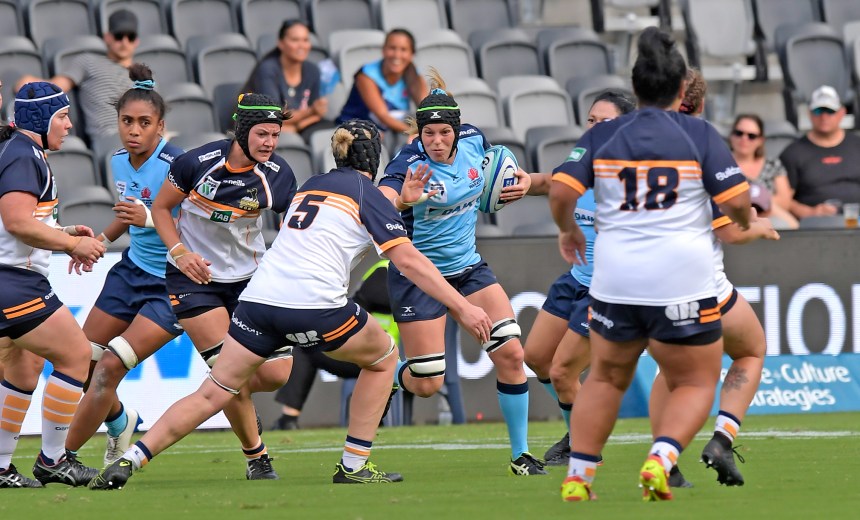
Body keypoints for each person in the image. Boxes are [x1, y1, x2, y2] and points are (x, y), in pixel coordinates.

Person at [89, 119, 492, 489]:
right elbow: (409, 261)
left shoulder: (312, 184)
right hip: (314, 304)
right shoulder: (366, 192)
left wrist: (397, 203)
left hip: (257, 300)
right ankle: (353, 465)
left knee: (215, 391)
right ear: (375, 159)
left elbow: (344, 220)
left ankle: (130, 459)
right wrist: (463, 307)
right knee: (384, 358)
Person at [549, 27, 753, 502]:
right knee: (695, 380)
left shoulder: (605, 134)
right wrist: (748, 221)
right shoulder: (697, 133)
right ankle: (661, 459)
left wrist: (567, 228)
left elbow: (560, 190)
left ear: (635, 88)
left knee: (604, 378)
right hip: (681, 282)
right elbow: (737, 202)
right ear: (682, 90)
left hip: (616, 282)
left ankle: (579, 476)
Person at [377, 70, 543, 476]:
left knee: (512, 353)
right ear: (419, 133)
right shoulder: (409, 162)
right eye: (428, 134)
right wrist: (402, 201)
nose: (436, 141)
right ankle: (389, 374)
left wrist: (521, 182)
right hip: (421, 278)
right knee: (428, 382)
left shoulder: (474, 141)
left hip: (469, 268)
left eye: (443, 133)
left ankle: (521, 455)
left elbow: (499, 170)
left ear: (456, 130)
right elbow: (381, 201)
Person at [149, 93, 298, 480]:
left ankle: (232, 395)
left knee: (276, 375)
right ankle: (257, 458)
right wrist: (180, 253)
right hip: (194, 279)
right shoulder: (195, 164)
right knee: (228, 374)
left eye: (275, 135)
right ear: (243, 131)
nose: (269, 142)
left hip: (251, 280)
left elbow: (294, 227)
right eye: (262, 133)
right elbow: (161, 208)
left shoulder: (279, 175)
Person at [649, 76, 781, 490]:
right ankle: (721, 439)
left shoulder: (635, 144)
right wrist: (759, 226)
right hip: (701, 284)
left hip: (647, 283)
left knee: (668, 372)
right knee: (752, 349)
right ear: (700, 106)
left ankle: (664, 462)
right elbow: (728, 229)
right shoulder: (701, 143)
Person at [61, 64, 186, 469]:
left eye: (144, 123)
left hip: (171, 284)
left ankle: (60, 457)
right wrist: (98, 243)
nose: (133, 130)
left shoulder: (178, 165)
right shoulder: (117, 160)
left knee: (110, 366)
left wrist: (148, 218)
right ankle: (120, 421)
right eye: (126, 121)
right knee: (81, 362)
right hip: (130, 272)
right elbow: (127, 212)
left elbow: (192, 225)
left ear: (160, 126)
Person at [0, 82, 106, 488]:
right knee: (76, 355)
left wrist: (62, 232)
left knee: (24, 369)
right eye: (62, 116)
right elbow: (16, 221)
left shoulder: (21, 152)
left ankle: (2, 467)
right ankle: (54, 460)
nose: (69, 124)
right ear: (41, 120)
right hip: (14, 280)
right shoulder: (23, 155)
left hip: (11, 277)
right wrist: (72, 244)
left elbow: (21, 222)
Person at [523, 90, 637, 467]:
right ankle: (578, 433)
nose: (594, 127)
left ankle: (586, 449)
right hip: (575, 280)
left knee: (562, 371)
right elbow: (549, 183)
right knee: (537, 358)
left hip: (608, 289)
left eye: (604, 122)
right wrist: (521, 182)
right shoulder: (581, 165)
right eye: (590, 120)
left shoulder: (634, 176)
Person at [272, 260, 394, 430]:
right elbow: (370, 296)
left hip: (389, 358)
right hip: (365, 354)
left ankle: (372, 416)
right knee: (305, 348)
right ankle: (288, 420)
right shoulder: (385, 269)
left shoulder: (409, 272)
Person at [16, 10, 139, 142]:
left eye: (130, 37)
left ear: (136, 41)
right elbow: (56, 87)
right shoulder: (88, 62)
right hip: (110, 139)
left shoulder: (145, 76)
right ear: (107, 37)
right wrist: (29, 85)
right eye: (119, 36)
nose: (125, 42)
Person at [242, 19, 334, 141]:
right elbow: (273, 117)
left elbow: (317, 114)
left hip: (299, 126)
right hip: (262, 128)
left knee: (332, 133)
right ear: (281, 43)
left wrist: (298, 126)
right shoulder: (267, 70)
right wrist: (309, 112)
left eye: (305, 40)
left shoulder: (312, 70)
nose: (301, 45)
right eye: (295, 40)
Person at [779, 85, 860, 221]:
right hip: (815, 226)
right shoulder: (793, 152)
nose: (824, 116)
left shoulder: (857, 145)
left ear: (842, 113)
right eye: (818, 111)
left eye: (830, 111)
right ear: (809, 113)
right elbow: (783, 200)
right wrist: (811, 212)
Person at [336, 29, 428, 135]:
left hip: (391, 129)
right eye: (392, 48)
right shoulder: (366, 75)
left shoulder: (414, 74)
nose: (397, 55)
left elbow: (426, 108)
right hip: (355, 130)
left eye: (403, 50)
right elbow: (383, 116)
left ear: (412, 54)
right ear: (383, 50)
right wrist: (417, 133)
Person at [727, 114, 798, 229]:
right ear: (731, 136)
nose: (744, 139)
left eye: (751, 136)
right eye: (739, 133)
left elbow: (785, 201)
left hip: (772, 221)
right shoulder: (719, 165)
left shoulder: (773, 164)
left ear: (760, 140)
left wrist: (761, 202)